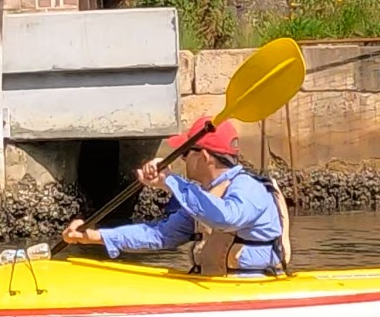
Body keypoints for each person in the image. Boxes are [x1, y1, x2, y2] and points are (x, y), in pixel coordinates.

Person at [63, 116, 284, 275]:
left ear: (205, 156)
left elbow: (226, 218)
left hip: (252, 285)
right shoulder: (204, 196)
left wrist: (170, 182)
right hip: (215, 284)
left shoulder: (249, 187)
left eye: (186, 153)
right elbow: (160, 235)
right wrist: (95, 236)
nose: (183, 159)